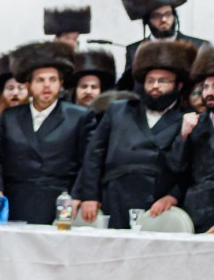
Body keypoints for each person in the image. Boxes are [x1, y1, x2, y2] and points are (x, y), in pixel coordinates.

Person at [75, 40, 195, 228]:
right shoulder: (118, 110)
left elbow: (190, 168)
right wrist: (89, 195)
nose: (155, 86)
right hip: (115, 196)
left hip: (156, 204)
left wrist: (173, 196)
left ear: (178, 85)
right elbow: (93, 155)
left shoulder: (187, 119)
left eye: (163, 81)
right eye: (150, 80)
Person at [0, 42, 95, 224]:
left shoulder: (78, 116)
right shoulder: (10, 117)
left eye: (53, 80)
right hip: (16, 200)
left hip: (60, 201)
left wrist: (78, 195)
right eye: (40, 80)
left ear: (61, 84)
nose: (47, 86)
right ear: (28, 85)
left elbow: (88, 162)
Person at [115, 0, 203, 92]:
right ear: (147, 21)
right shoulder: (134, 50)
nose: (164, 20)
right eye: (157, 16)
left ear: (174, 16)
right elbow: (128, 87)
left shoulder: (197, 45)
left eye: (168, 14)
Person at [180, 45, 214, 232]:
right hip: (197, 212)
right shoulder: (195, 123)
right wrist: (183, 136)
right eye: (206, 86)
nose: (208, 92)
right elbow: (177, 168)